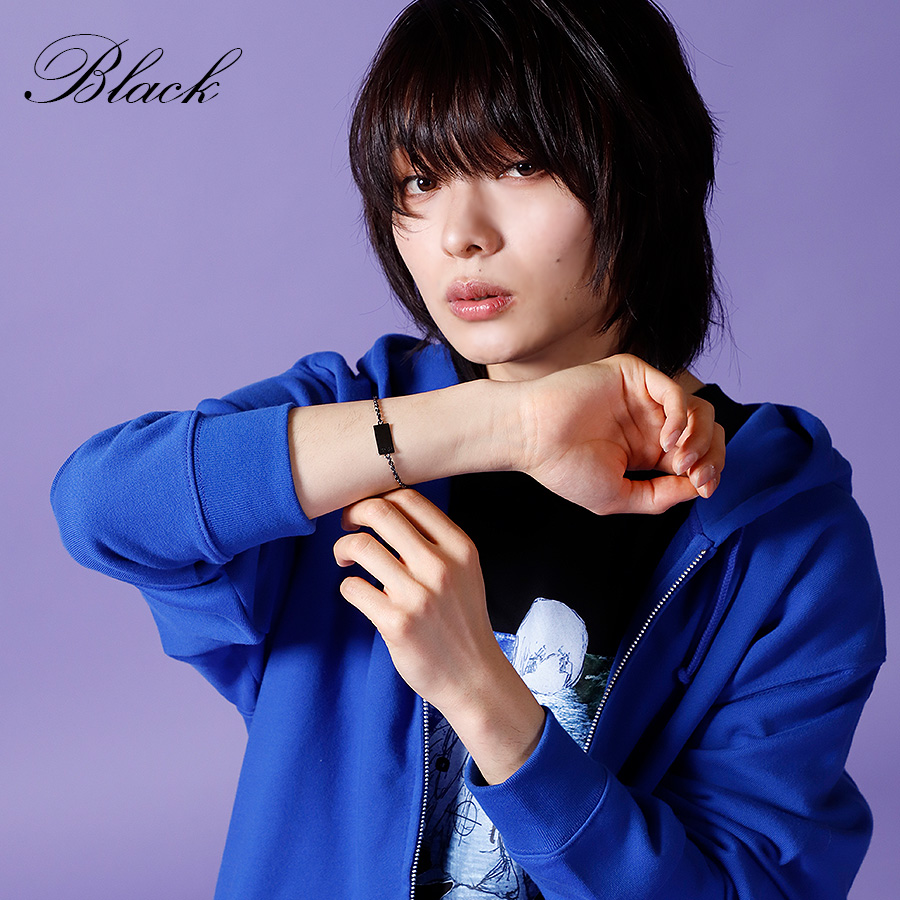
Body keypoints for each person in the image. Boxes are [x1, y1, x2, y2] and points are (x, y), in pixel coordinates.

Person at [50, 1, 884, 898]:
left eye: (521, 166)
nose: (460, 235)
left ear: (647, 170)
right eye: (420, 181)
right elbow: (101, 504)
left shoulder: (783, 535)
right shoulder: (350, 420)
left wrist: (485, 698)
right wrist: (504, 426)